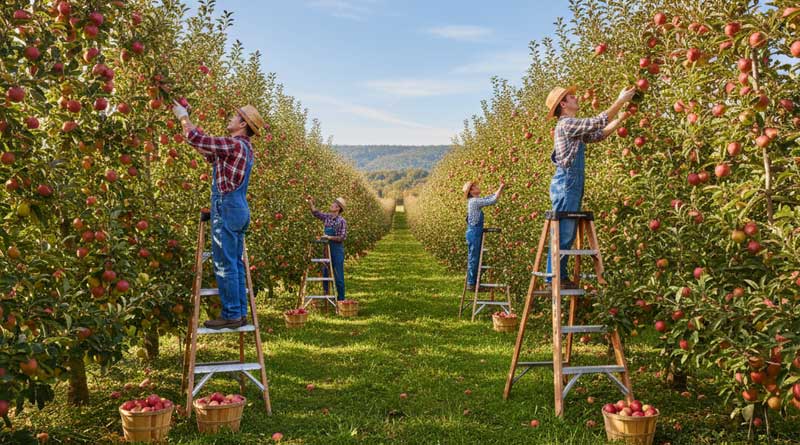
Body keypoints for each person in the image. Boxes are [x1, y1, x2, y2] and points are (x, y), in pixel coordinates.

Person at [172, 100, 265, 329]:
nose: (230, 118)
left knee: (225, 263)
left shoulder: (234, 145)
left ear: (242, 124)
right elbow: (204, 148)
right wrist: (187, 122)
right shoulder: (243, 149)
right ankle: (239, 313)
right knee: (235, 264)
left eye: (235, 116)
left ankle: (231, 314)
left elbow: (198, 139)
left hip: (227, 207)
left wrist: (183, 117)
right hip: (237, 207)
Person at [543, 85, 635, 288]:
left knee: (567, 232)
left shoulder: (573, 128)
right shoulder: (566, 124)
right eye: (571, 97)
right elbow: (596, 122)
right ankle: (553, 278)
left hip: (571, 183)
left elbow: (598, 134)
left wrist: (621, 118)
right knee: (564, 232)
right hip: (567, 183)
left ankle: (557, 276)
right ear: (563, 104)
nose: (576, 98)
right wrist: (620, 100)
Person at [462, 181, 505, 291]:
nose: (478, 187)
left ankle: (475, 282)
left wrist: (500, 189)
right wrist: (501, 188)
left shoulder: (475, 200)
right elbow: (492, 200)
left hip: (475, 232)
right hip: (474, 232)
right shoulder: (474, 201)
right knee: (474, 258)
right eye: (475, 186)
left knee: (476, 257)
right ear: (471, 191)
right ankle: (471, 284)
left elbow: (489, 197)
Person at [305, 196, 347, 301]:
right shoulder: (327, 217)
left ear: (338, 208)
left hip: (337, 250)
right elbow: (316, 213)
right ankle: (326, 299)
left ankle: (341, 300)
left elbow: (342, 237)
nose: (331, 205)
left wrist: (329, 237)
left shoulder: (341, 221)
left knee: (338, 276)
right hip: (327, 249)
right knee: (325, 274)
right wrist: (310, 203)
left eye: (334, 204)